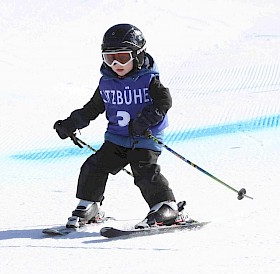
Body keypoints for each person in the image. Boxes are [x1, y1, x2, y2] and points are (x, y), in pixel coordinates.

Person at [54, 24, 187, 229]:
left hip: (145, 136)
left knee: (143, 169)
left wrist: (146, 120)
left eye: (123, 57)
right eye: (110, 58)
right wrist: (71, 124)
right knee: (94, 166)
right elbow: (92, 108)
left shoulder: (148, 80)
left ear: (138, 55)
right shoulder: (106, 83)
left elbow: (164, 102)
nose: (116, 63)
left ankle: (166, 206)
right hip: (117, 137)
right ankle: (90, 205)